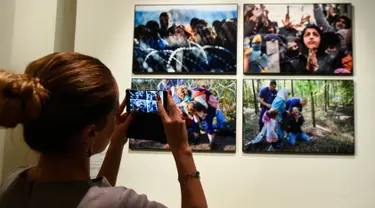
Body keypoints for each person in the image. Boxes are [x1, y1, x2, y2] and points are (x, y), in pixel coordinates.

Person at [0, 52, 207, 208]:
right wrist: (182, 150)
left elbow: (95, 194)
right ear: (90, 134)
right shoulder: (123, 203)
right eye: (113, 112)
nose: (117, 116)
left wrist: (115, 143)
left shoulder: (13, 184)